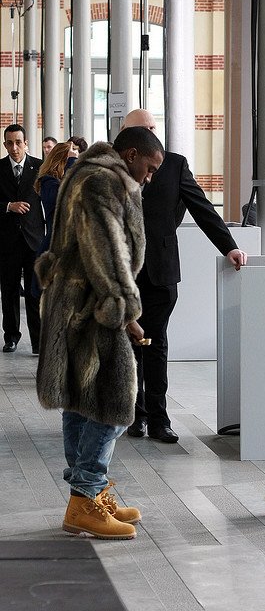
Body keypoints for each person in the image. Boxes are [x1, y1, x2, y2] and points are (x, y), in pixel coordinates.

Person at [35, 126, 164, 540]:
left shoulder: (87, 173)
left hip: (73, 303)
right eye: (149, 168)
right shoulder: (104, 182)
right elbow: (106, 252)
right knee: (115, 403)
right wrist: (124, 310)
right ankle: (86, 494)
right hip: (92, 307)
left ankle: (88, 494)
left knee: (81, 399)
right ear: (131, 154)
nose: (150, 177)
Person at [122, 108, 248, 443]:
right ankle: (134, 414)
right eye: (144, 129)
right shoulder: (112, 167)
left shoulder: (174, 165)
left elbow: (201, 207)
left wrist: (229, 247)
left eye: (154, 127)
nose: (152, 133)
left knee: (156, 343)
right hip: (124, 271)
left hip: (161, 270)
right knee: (130, 345)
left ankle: (159, 418)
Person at [0, 124, 44, 354]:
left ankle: (38, 341)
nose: (14, 147)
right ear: (5, 144)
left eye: (18, 142)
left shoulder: (39, 167)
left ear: (26, 143)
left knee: (35, 292)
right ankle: (11, 337)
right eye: (10, 143)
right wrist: (9, 206)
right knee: (9, 291)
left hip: (34, 240)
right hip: (7, 242)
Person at [34, 141, 79, 255]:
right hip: (54, 247)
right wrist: (72, 161)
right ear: (61, 161)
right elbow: (64, 195)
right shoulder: (48, 181)